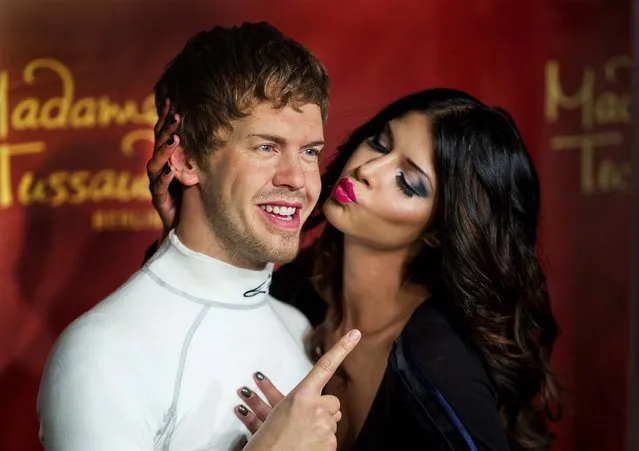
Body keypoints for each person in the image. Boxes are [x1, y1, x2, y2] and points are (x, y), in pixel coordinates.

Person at [148, 88, 562, 450]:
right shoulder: (299, 289)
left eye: (408, 182)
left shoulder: (440, 362)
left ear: (439, 230)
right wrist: (186, 235)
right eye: (380, 144)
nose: (367, 170)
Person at [37, 22, 350, 451]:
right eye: (266, 147)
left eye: (310, 151)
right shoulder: (101, 353)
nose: (298, 179)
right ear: (184, 159)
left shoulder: (298, 326)